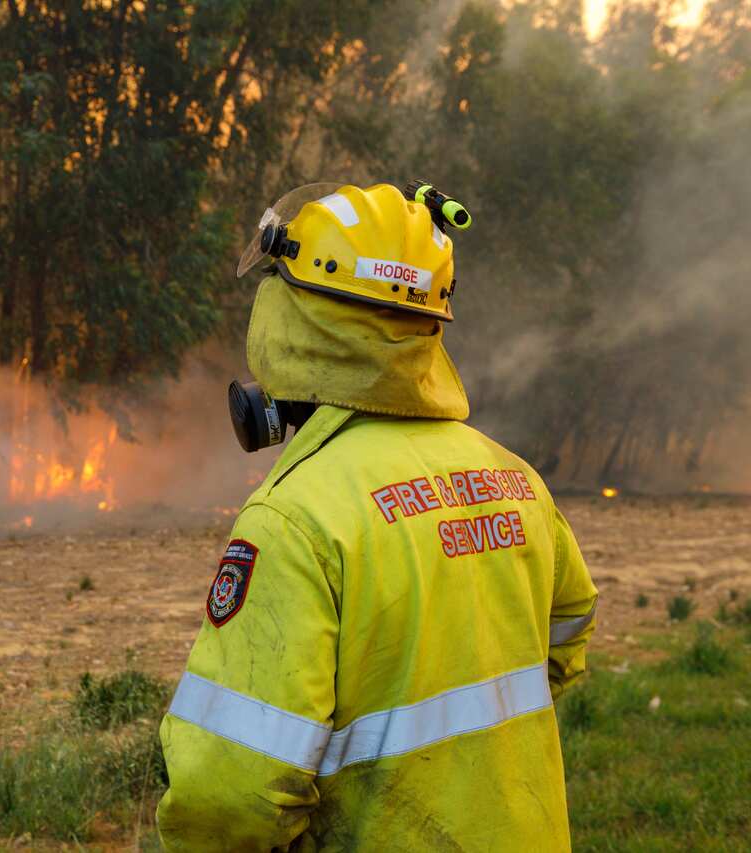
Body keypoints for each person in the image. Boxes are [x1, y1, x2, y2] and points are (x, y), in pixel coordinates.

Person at [156, 182, 598, 852]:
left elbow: (225, 793)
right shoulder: (516, 480)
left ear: (295, 315)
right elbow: (565, 642)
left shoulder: (296, 519)